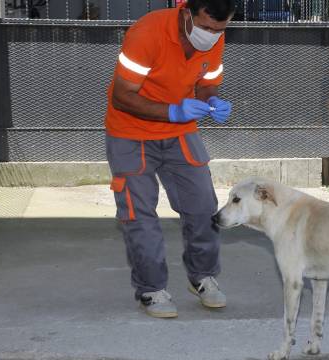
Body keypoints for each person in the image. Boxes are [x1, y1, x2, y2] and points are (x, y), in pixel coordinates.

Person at [104, 0, 236, 318]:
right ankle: (151, 289)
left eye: (221, 29)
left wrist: (212, 101)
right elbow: (123, 96)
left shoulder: (215, 37)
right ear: (187, 12)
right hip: (131, 133)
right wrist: (174, 111)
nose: (213, 35)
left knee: (203, 206)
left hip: (179, 133)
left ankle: (201, 277)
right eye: (206, 27)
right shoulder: (148, 33)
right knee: (140, 217)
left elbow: (206, 85)